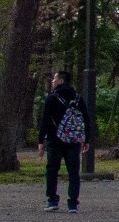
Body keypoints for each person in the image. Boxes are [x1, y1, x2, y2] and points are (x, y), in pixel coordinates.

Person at [37, 70, 86, 213]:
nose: (52, 81)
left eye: (54, 78)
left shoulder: (52, 98)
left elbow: (45, 120)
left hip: (54, 139)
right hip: (73, 140)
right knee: (73, 172)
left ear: (61, 81)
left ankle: (52, 200)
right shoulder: (77, 98)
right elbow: (86, 118)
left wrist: (41, 141)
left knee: (52, 169)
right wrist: (86, 138)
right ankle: (72, 203)